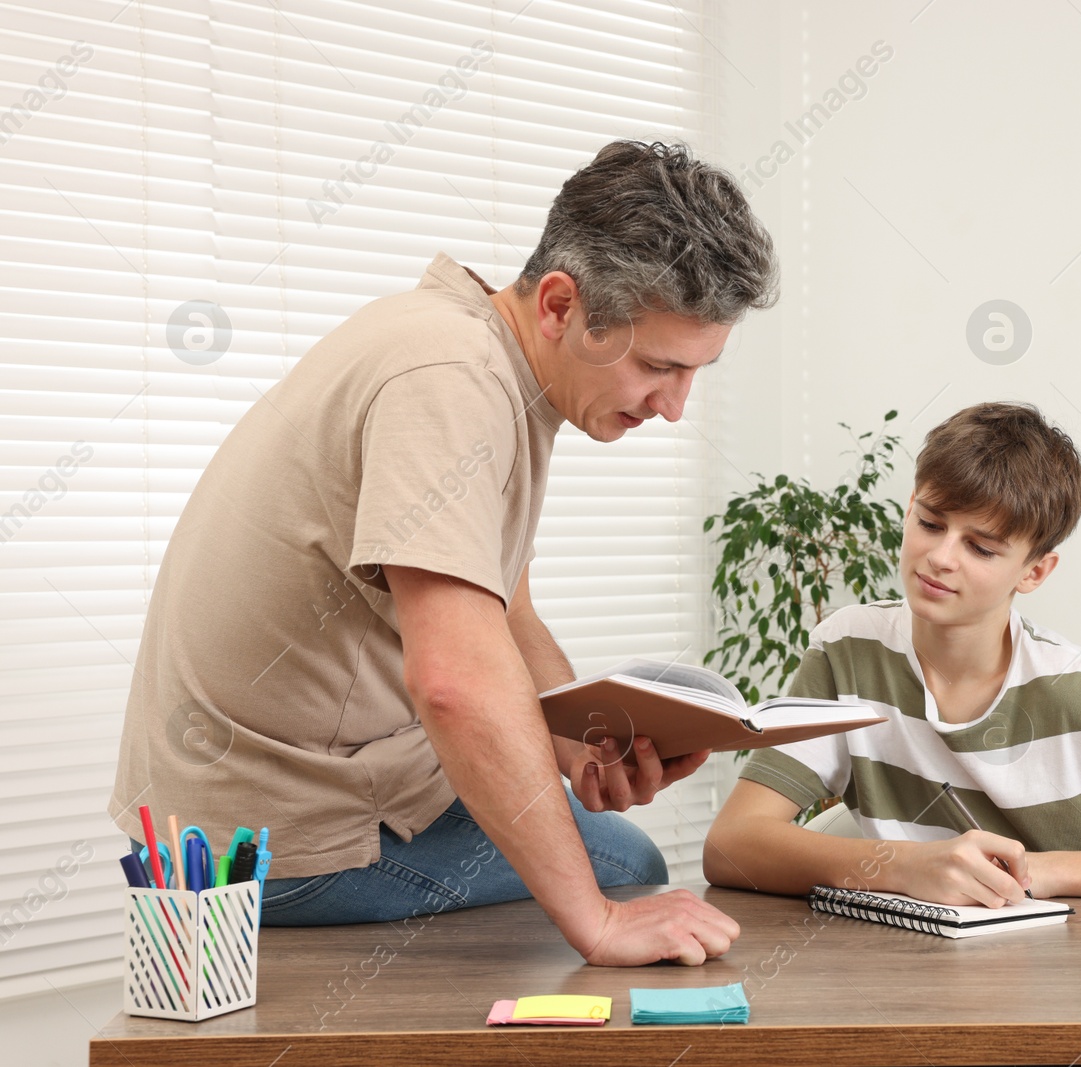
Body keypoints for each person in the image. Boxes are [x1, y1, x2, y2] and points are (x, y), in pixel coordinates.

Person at [109, 141, 777, 966]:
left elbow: (508, 610)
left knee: (597, 846)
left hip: (316, 787)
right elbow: (456, 684)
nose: (675, 407)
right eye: (656, 366)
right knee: (624, 869)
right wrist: (598, 922)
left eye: (693, 373)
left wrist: (572, 740)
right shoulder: (450, 380)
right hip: (263, 845)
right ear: (562, 305)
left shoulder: (480, 355)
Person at [704, 402, 1081, 906]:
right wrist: (908, 867)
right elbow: (732, 845)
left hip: (1068, 989)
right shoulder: (847, 649)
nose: (941, 557)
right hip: (907, 982)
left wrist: (1043, 874)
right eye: (930, 522)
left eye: (982, 547)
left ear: (1035, 572)